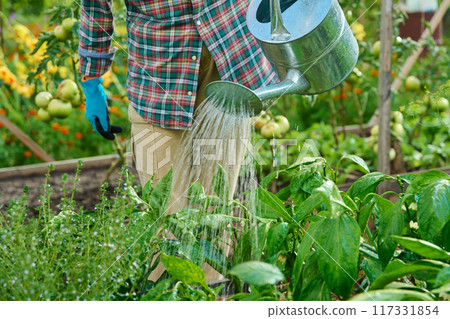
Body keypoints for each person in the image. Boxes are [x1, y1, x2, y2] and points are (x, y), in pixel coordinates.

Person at [79, 0, 278, 282]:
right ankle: (170, 298)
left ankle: (214, 297)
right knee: (168, 219)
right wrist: (92, 76)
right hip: (160, 74)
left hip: (231, 60)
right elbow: (95, 6)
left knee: (215, 211)